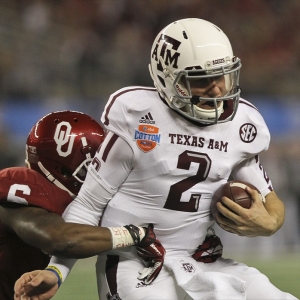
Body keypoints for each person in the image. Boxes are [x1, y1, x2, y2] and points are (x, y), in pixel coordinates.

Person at [14, 18, 298, 300]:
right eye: (201, 80)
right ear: (167, 80)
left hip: (203, 259)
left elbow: (270, 200)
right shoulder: (139, 117)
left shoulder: (242, 124)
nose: (217, 89)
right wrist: (57, 271)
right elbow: (89, 205)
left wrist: (271, 222)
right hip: (133, 263)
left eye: (222, 75)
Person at [0, 110, 164, 300]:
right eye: (94, 164)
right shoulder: (23, 185)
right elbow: (60, 239)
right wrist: (135, 234)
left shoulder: (67, 204)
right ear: (65, 168)